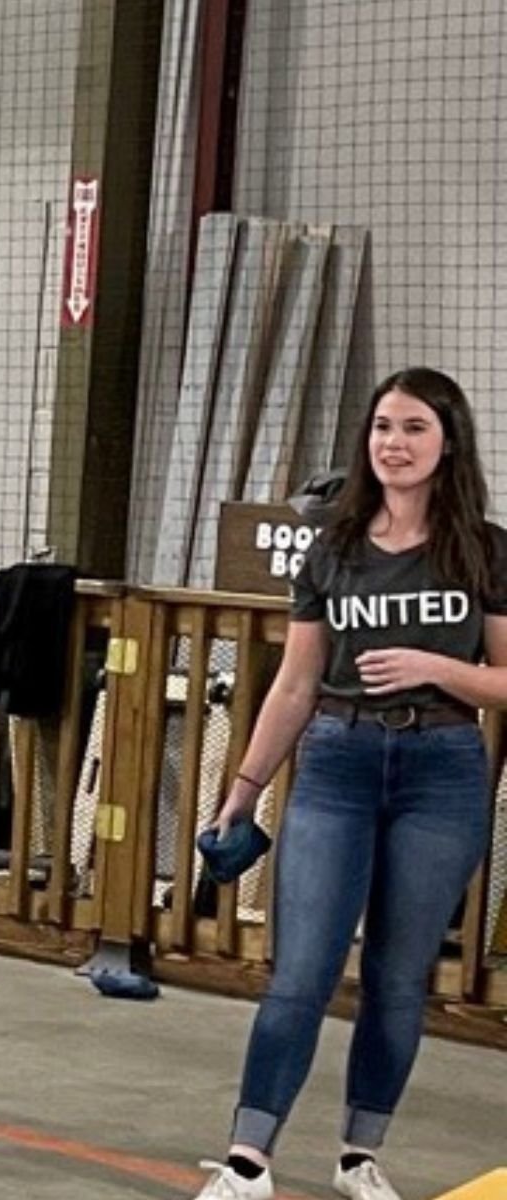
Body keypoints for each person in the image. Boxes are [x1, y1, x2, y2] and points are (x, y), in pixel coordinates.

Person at [192, 368, 504, 1200]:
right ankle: (247, 1162)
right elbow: (295, 682)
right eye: (382, 427)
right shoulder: (332, 548)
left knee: (400, 979)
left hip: (441, 771)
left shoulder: (484, 549)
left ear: (447, 445)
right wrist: (245, 785)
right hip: (336, 762)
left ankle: (360, 1157)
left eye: (413, 429)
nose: (393, 444)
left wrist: (439, 666)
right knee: (300, 972)